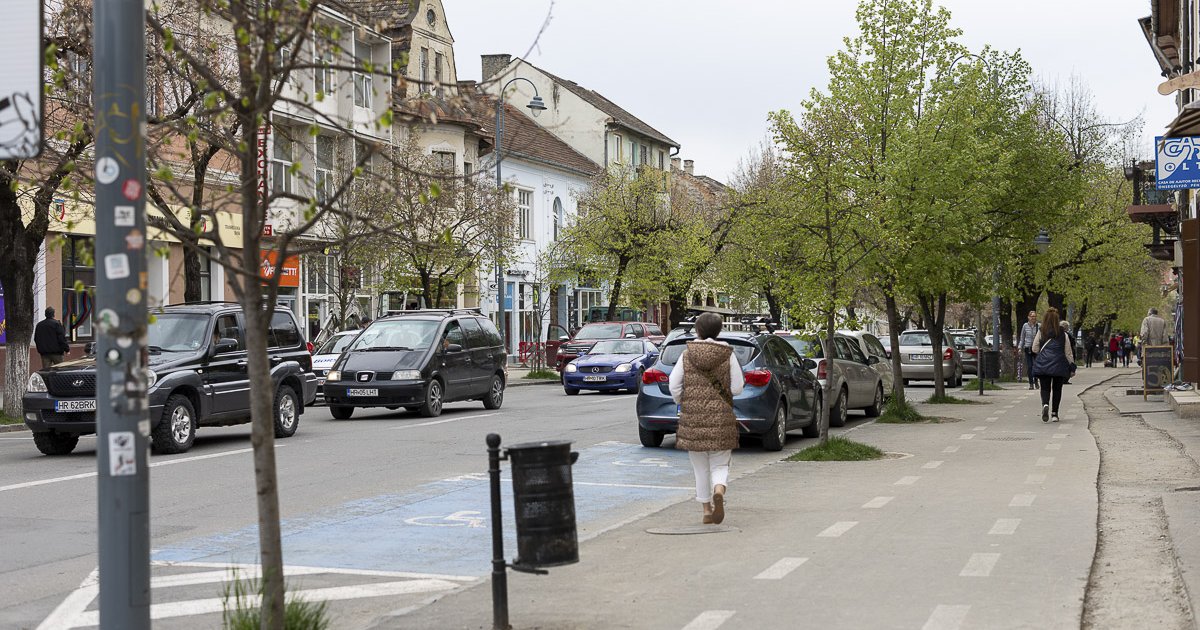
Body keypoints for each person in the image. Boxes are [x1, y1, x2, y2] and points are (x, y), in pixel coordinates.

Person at [669, 312, 745, 525]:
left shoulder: (687, 355)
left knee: (700, 467)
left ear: (698, 330)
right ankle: (719, 490)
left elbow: (673, 385)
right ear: (719, 331)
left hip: (693, 418)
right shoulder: (727, 354)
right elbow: (737, 387)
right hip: (721, 418)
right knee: (720, 464)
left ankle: (706, 510)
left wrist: (683, 400)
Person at [1032, 307, 1074, 423]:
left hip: (1044, 365)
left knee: (1045, 388)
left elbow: (1034, 348)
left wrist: (1043, 352)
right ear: (1057, 320)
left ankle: (1045, 404)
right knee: (1057, 389)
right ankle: (1055, 414)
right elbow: (1068, 352)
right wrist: (1072, 366)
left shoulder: (1041, 331)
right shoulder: (1063, 333)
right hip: (1059, 365)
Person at [1017, 311, 1039, 390]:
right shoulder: (1025, 326)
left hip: (1036, 348)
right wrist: (1020, 348)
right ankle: (1031, 383)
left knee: (1036, 366)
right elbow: (1022, 338)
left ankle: (1036, 380)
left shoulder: (1038, 326)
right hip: (1028, 348)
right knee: (1030, 366)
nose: (1033, 318)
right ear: (1028, 317)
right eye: (1032, 316)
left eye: (1035, 316)